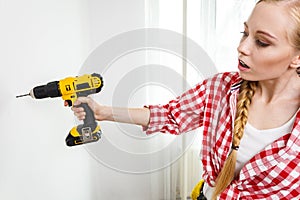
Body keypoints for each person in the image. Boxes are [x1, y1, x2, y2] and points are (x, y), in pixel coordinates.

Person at [71, 0, 300, 199]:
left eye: (261, 42)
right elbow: (170, 115)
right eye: (245, 33)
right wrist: (103, 111)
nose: (242, 47)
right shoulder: (220, 89)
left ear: (297, 58)